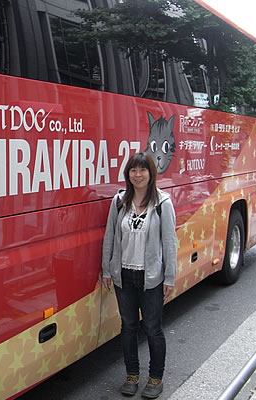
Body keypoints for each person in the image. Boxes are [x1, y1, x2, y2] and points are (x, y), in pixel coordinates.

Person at [101, 152, 177, 399]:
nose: (138, 174)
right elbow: (110, 237)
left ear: (151, 173)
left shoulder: (162, 203)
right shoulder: (120, 201)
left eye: (142, 170)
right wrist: (106, 270)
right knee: (128, 327)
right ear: (128, 174)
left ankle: (156, 378)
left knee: (153, 329)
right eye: (133, 170)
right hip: (124, 275)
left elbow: (170, 242)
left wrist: (170, 277)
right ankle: (132, 375)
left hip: (151, 277)